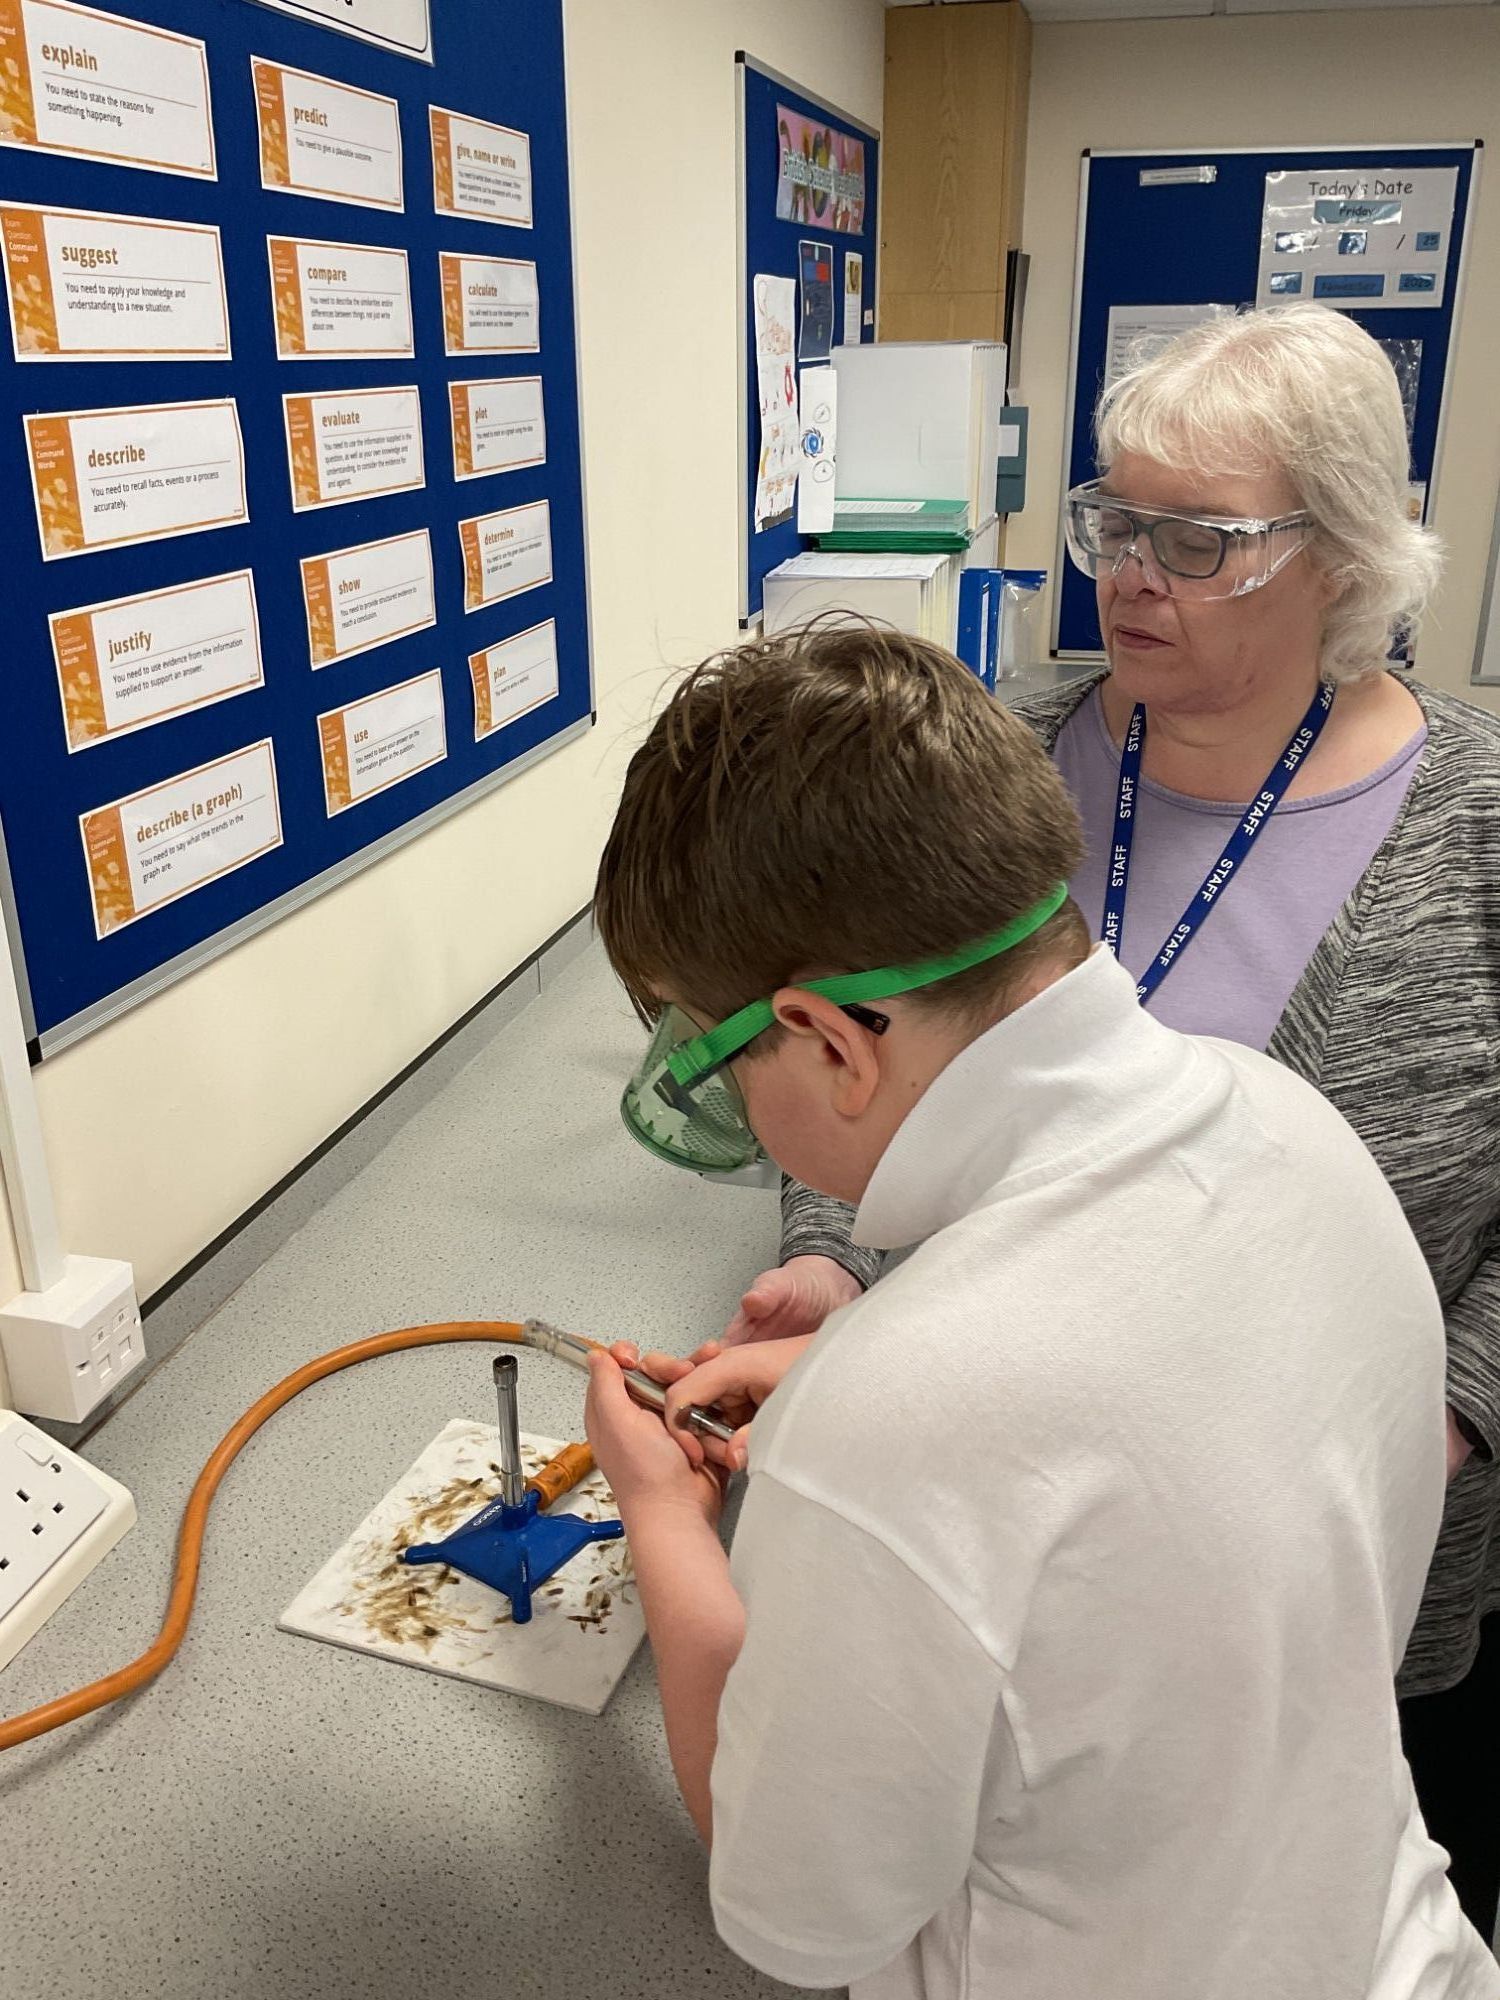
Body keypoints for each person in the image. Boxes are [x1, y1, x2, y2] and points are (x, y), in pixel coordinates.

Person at [583, 623, 1497, 1999]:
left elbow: (795, 1913)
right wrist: (871, 1380)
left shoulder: (894, 1421)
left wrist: (661, 1511)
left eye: (714, 1064)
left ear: (831, 1041)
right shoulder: (1292, 1125)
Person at [755, 306, 1500, 1937]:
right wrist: (830, 1263)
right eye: (1114, 518)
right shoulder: (993, 751)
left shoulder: (1480, 821)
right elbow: (845, 1034)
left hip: (1345, 1550)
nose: (1130, 571)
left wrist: (1434, 1414)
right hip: (983, 1508)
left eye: (1198, 538)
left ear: (1349, 553)